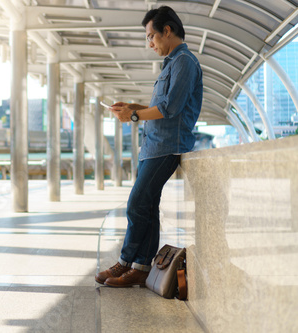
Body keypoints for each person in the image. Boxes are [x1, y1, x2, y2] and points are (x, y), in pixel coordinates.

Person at [95, 6, 203, 287]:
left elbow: (170, 108)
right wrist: (134, 107)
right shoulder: (171, 63)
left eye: (151, 36)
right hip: (153, 146)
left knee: (136, 204)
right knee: (147, 206)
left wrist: (132, 116)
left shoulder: (184, 62)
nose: (150, 43)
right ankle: (139, 267)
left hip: (167, 147)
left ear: (167, 31)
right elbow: (159, 107)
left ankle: (126, 263)